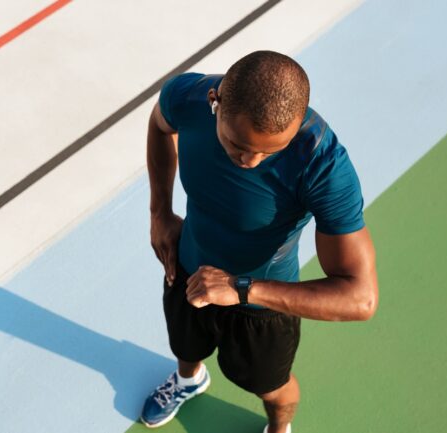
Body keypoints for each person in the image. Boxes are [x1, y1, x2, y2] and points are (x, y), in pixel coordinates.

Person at [141, 50, 378, 433]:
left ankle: (279, 428)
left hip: (262, 305)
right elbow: (158, 123)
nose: (250, 160)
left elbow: (361, 298)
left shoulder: (323, 166)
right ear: (215, 103)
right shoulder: (187, 97)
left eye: (270, 151)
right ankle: (188, 380)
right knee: (184, 347)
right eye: (237, 144)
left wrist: (241, 288)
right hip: (186, 267)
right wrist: (159, 214)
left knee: (272, 388)